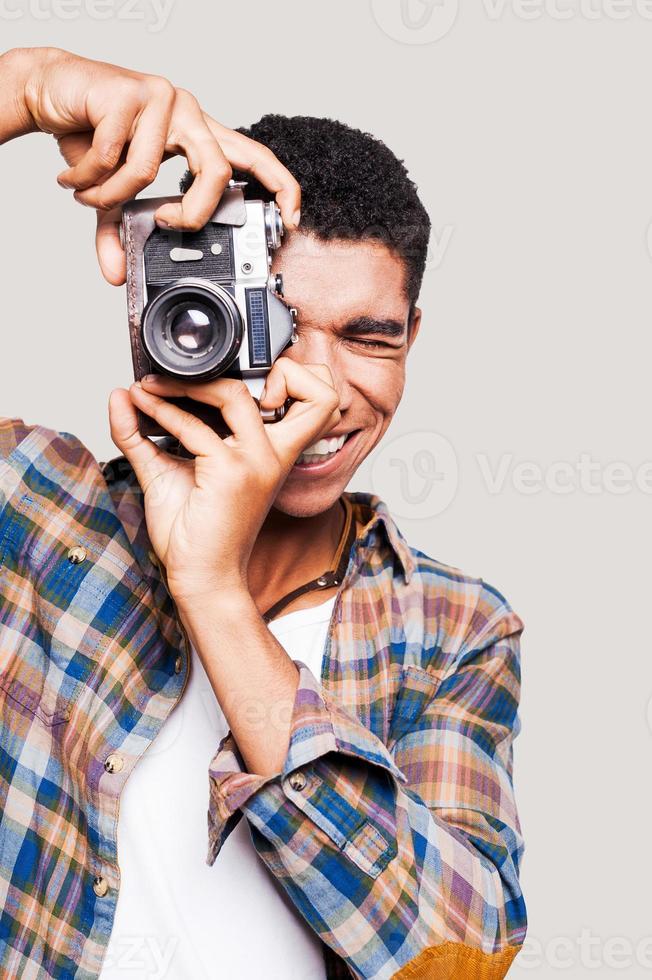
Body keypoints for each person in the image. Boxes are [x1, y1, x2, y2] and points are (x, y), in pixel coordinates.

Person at [0, 45, 527, 980]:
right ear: (180, 306)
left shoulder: (455, 629)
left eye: (370, 338)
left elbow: (456, 962)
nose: (319, 393)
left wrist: (212, 587)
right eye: (274, 328)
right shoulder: (37, 511)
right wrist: (27, 86)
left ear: (412, 337)